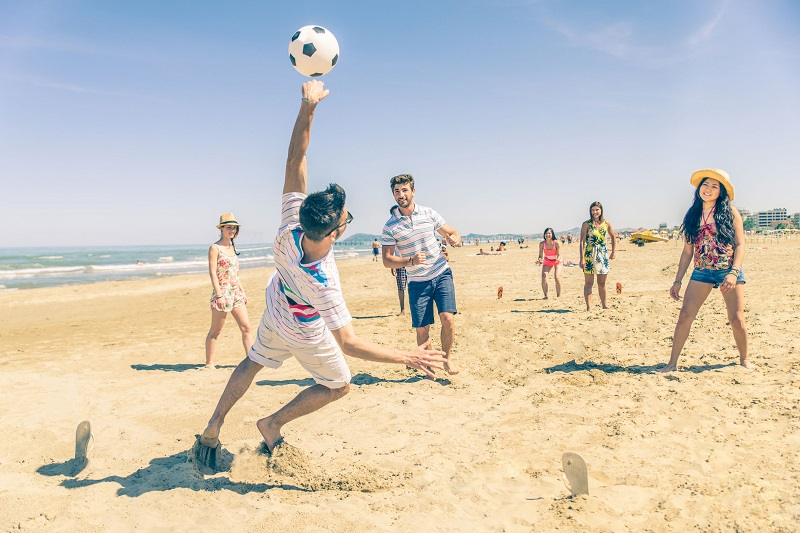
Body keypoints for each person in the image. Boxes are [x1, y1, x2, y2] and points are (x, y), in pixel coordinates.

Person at [194, 81, 446, 468]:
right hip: (303, 324)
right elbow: (349, 343)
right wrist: (406, 357)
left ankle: (213, 425)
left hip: (276, 305)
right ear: (332, 233)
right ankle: (271, 422)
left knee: (253, 362)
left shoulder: (291, 225)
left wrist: (307, 106)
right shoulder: (324, 281)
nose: (347, 216)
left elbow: (296, 156)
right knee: (339, 384)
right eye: (345, 217)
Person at [657, 169, 753, 372]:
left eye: (714, 186)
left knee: (736, 318)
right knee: (685, 315)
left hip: (728, 269)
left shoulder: (730, 212)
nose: (708, 189)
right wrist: (677, 281)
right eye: (705, 184)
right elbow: (687, 251)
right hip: (701, 271)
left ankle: (744, 359)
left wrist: (734, 272)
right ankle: (672, 363)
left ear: (721, 192)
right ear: (699, 188)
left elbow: (740, 244)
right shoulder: (693, 215)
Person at [381, 173, 463, 375]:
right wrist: (410, 261)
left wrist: (455, 240)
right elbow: (386, 260)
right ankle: (428, 363)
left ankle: (446, 359)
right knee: (422, 330)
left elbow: (453, 232)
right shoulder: (390, 226)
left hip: (441, 272)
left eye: (405, 190)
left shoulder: (429, 214)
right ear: (393, 195)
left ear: (413, 191)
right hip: (417, 281)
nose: (401, 195)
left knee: (448, 319)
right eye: (397, 191)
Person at [205, 213, 253, 368]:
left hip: (236, 293)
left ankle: (250, 360)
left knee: (246, 327)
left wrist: (242, 291)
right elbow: (213, 272)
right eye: (229, 227)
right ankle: (209, 363)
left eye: (234, 228)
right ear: (222, 229)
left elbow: (235, 274)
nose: (232, 230)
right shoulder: (215, 248)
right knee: (216, 331)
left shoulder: (232, 248)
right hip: (222, 293)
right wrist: (219, 295)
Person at [579, 201, 616, 311]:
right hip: (589, 254)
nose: (594, 212)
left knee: (602, 282)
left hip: (602, 254)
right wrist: (581, 258)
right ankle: (589, 307)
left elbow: (613, 236)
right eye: (592, 210)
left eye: (597, 210)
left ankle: (604, 305)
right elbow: (582, 241)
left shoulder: (607, 223)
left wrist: (613, 251)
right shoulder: (586, 224)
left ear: (601, 211)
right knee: (589, 282)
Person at [535, 227, 562, 299]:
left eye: (549, 233)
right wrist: (539, 260)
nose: (548, 235)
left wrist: (558, 259)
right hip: (547, 261)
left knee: (557, 277)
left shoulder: (556, 243)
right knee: (544, 277)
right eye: (546, 233)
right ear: (544, 235)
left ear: (552, 234)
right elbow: (540, 256)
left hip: (557, 261)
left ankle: (558, 296)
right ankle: (545, 295)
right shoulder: (541, 244)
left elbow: (559, 255)